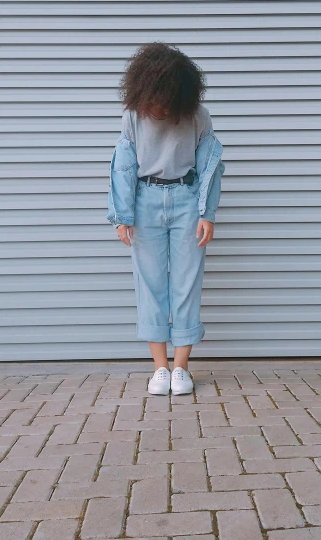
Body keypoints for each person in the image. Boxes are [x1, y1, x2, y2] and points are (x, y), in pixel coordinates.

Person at [106, 42, 225, 396]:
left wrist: (208, 214)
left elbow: (209, 168)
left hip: (188, 200)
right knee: (151, 284)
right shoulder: (133, 117)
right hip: (146, 201)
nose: (160, 108)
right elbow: (123, 167)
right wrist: (122, 215)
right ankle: (160, 367)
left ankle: (181, 368)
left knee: (188, 283)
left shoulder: (197, 116)